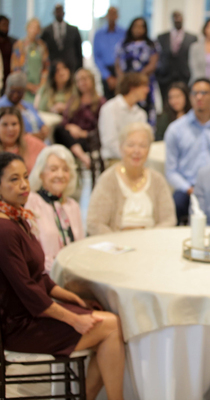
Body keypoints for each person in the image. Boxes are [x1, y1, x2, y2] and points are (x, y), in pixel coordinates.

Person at [0, 151, 126, 400]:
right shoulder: (4, 229)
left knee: (110, 323)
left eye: (24, 177)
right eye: (13, 180)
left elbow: (40, 277)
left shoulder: (19, 218)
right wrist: (72, 318)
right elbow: (28, 290)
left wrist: (72, 299)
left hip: (34, 312)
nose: (24, 185)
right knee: (112, 327)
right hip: (20, 324)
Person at [87, 122, 176, 235]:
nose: (136, 151)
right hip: (115, 245)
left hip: (151, 243)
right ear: (121, 148)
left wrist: (151, 237)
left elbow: (168, 219)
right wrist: (116, 243)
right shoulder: (108, 179)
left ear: (149, 150)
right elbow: (94, 222)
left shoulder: (157, 180)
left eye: (143, 146)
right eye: (130, 145)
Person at [165, 78, 210, 225]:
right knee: (175, 204)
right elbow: (171, 171)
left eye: (204, 93)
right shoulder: (176, 129)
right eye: (195, 93)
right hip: (187, 188)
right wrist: (189, 189)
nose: (199, 97)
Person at [25, 145, 83, 273]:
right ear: (40, 174)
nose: (60, 175)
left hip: (73, 273)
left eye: (65, 169)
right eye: (53, 169)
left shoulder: (72, 205)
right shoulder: (32, 202)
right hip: (45, 277)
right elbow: (30, 251)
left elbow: (80, 247)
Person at [54, 68, 105, 168]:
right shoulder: (73, 101)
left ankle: (83, 158)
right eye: (79, 80)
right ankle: (84, 158)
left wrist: (83, 133)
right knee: (58, 130)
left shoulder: (100, 102)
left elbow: (103, 127)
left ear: (92, 80)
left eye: (84, 79)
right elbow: (64, 121)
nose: (82, 83)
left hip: (90, 139)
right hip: (71, 137)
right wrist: (70, 127)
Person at [115, 17, 159, 126]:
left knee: (145, 111)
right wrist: (124, 80)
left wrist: (139, 79)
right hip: (127, 84)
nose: (138, 29)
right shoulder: (123, 44)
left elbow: (153, 64)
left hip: (144, 82)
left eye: (141, 26)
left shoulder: (151, 45)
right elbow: (117, 64)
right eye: (136, 26)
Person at [98, 72, 148, 164]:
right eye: (144, 86)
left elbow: (143, 140)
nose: (147, 90)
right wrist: (131, 156)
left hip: (136, 161)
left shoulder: (141, 114)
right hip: (115, 161)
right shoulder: (110, 108)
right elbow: (109, 142)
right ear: (133, 88)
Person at [156, 11, 197, 107]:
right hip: (166, 76)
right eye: (175, 17)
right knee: (166, 103)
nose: (177, 20)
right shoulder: (162, 37)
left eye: (179, 17)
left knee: (185, 102)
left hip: (184, 75)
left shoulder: (192, 38)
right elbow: (158, 56)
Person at [10, 18, 50, 103]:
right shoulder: (19, 45)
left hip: (38, 88)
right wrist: (27, 85)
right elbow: (15, 68)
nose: (34, 30)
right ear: (27, 28)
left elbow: (46, 67)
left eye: (37, 28)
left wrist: (40, 86)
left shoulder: (42, 46)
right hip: (22, 87)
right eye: (32, 27)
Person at [0, 72, 48, 140]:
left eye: (19, 92)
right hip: (23, 142)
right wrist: (32, 137)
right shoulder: (2, 106)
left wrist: (44, 129)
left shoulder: (27, 105)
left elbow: (41, 122)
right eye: (12, 91)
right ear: (7, 88)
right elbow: (7, 131)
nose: (15, 95)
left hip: (40, 140)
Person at [93, 6, 126, 100]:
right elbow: (97, 57)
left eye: (114, 14)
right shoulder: (99, 34)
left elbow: (126, 54)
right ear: (106, 16)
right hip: (106, 73)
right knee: (107, 101)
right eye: (110, 14)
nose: (112, 17)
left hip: (121, 72)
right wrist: (107, 76)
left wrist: (120, 76)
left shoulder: (124, 33)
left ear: (117, 16)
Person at [0, 107, 45, 173]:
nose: (10, 129)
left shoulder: (31, 142)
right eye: (5, 124)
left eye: (14, 124)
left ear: (20, 126)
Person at [40, 4, 83, 72]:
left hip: (71, 67)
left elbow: (79, 51)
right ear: (53, 13)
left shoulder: (73, 30)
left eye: (60, 11)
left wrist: (80, 68)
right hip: (52, 67)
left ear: (64, 13)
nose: (59, 13)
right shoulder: (46, 31)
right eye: (57, 11)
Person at [0, 15, 16, 93]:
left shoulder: (12, 43)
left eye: (7, 25)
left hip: (9, 80)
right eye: (3, 25)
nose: (6, 28)